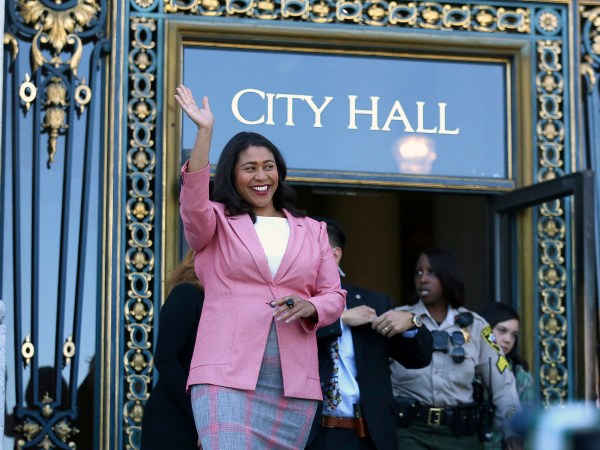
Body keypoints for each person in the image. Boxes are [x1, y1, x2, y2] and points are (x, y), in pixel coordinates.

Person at [175, 85, 346, 449]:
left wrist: (312, 305)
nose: (261, 176)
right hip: (225, 377)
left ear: (279, 172)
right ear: (232, 176)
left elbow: (334, 294)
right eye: (249, 168)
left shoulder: (313, 230)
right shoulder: (216, 222)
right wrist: (204, 133)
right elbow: (192, 205)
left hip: (292, 383)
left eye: (268, 167)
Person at [305, 218, 433, 450]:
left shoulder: (374, 302)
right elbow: (285, 341)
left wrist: (413, 323)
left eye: (305, 250)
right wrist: (339, 319)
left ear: (334, 256)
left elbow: (418, 359)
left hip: (369, 436)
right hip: (315, 436)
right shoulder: (297, 304)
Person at [390, 246, 523, 450]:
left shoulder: (478, 327)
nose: (423, 279)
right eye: (419, 272)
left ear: (448, 277)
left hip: (460, 436)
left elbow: (503, 386)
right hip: (410, 433)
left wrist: (512, 429)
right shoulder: (397, 319)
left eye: (431, 273)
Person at [141, 249, 204, 449]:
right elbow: (165, 358)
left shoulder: (216, 303)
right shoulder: (187, 293)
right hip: (173, 420)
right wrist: (199, 416)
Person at [479, 302, 535, 450]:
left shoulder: (520, 374)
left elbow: (524, 423)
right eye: (502, 331)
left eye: (513, 335)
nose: (508, 340)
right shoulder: (467, 365)